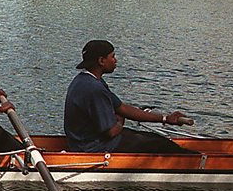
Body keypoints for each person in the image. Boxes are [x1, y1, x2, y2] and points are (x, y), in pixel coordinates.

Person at [64, 40, 195, 154]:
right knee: (162, 145)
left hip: (90, 142)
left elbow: (122, 108)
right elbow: (111, 131)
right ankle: (197, 164)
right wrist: (120, 121)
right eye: (112, 56)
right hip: (95, 147)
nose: (115, 60)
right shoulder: (94, 88)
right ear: (101, 61)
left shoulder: (85, 80)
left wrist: (166, 118)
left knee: (155, 138)